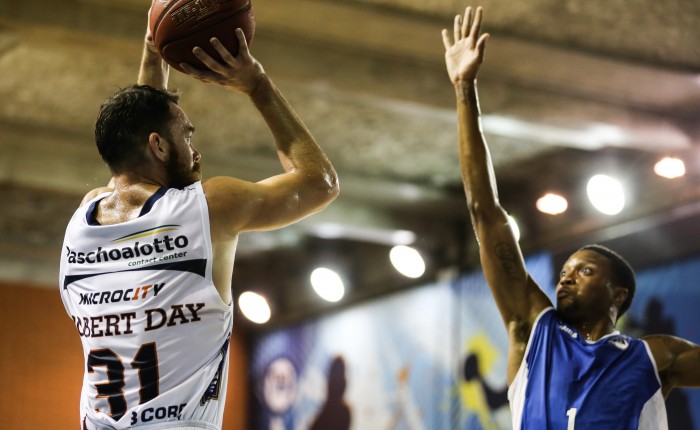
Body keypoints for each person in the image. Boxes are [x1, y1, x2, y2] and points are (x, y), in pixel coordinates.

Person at [59, 10, 339, 429]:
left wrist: (154, 52)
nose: (196, 151)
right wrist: (257, 84)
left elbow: (138, 137)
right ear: (158, 145)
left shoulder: (85, 219)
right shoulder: (208, 208)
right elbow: (321, 183)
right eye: (187, 136)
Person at [442, 6, 700, 429]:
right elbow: (484, 212)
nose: (564, 278)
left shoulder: (654, 357)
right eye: (565, 271)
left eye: (583, 271)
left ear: (617, 295)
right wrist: (464, 87)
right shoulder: (532, 328)